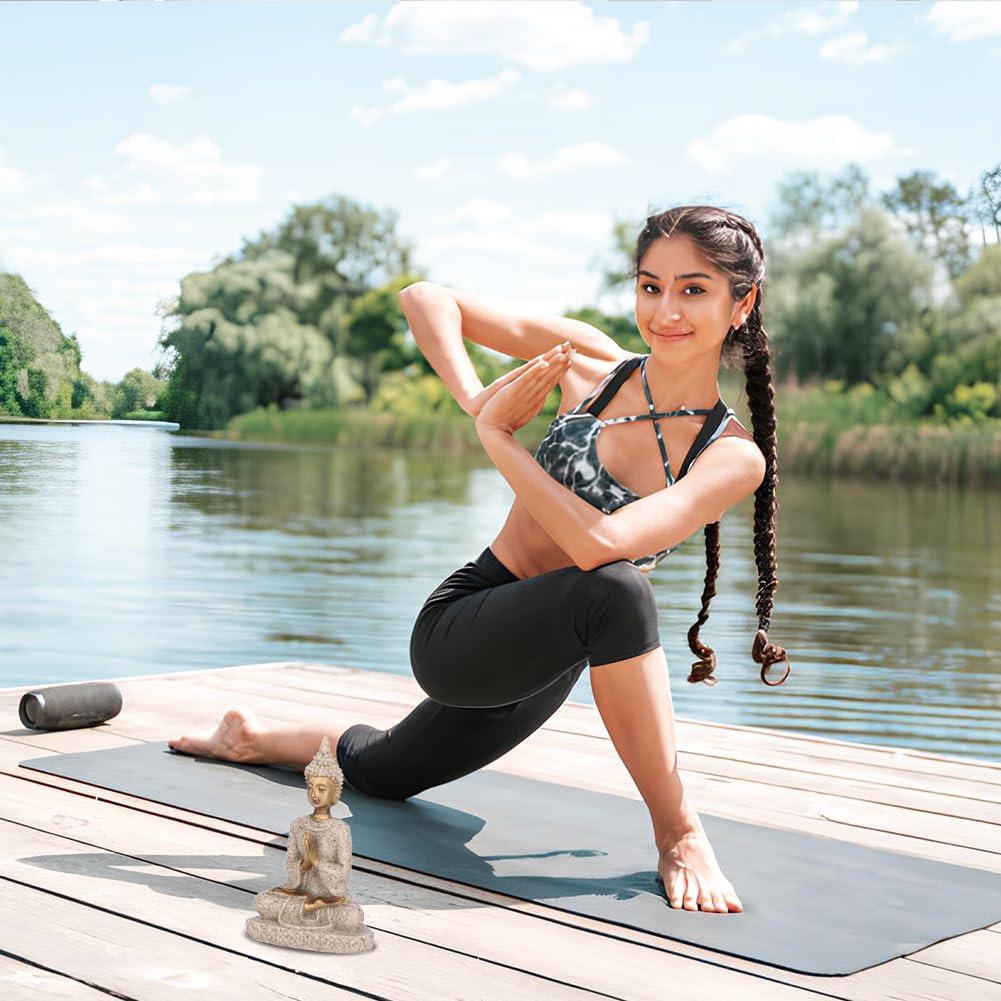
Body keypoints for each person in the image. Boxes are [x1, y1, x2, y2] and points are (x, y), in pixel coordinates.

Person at [169, 204, 792, 916]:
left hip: (542, 666)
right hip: (463, 625)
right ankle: (677, 830)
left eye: (692, 289)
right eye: (649, 286)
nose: (664, 310)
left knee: (387, 769)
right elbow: (425, 298)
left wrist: (497, 438)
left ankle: (247, 736)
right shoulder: (589, 363)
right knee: (619, 593)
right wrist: (476, 397)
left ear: (739, 303)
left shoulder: (729, 455)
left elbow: (596, 543)